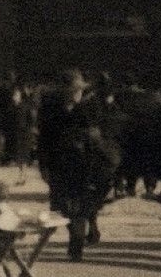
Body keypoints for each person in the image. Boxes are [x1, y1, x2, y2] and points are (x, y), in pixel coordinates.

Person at [35, 69, 120, 261]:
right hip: (59, 164)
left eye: (80, 89)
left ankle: (77, 242)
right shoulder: (51, 109)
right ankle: (77, 237)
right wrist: (44, 166)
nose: (78, 92)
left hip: (86, 165)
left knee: (82, 205)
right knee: (63, 206)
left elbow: (104, 132)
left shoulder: (91, 108)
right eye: (74, 89)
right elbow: (43, 140)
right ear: (64, 90)